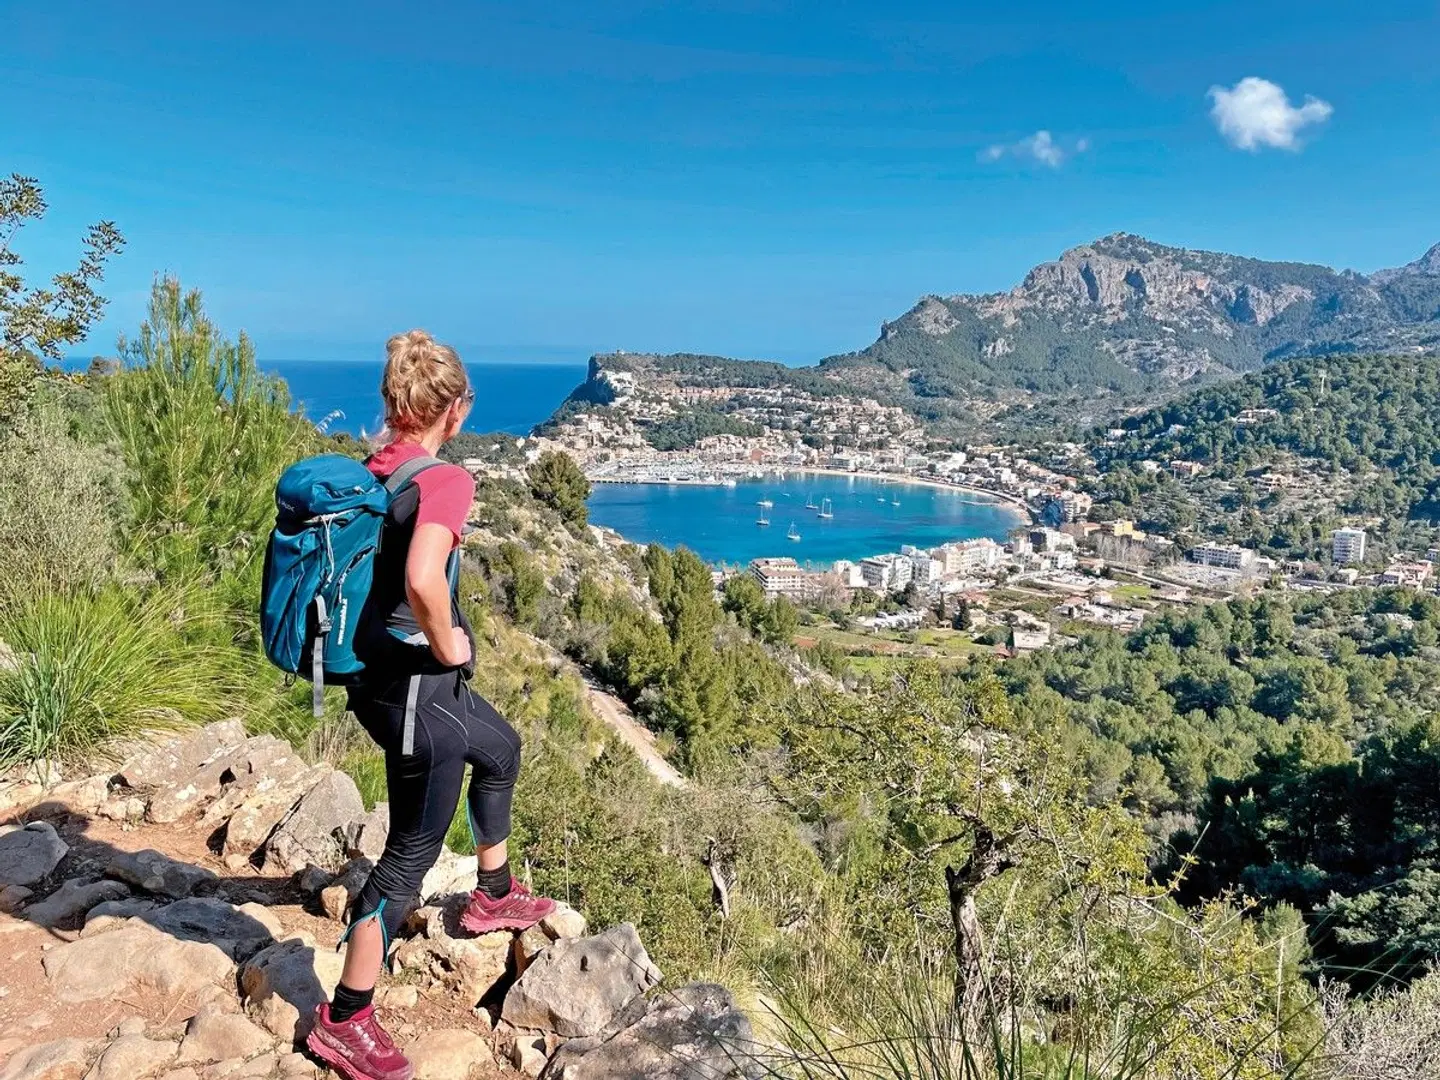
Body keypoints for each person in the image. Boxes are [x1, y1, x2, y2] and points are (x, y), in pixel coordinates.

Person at [306, 330, 556, 1080]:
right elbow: (421, 577)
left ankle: (492, 894)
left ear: (392, 404)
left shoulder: (378, 467)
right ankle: (344, 1019)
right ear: (455, 408)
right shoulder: (444, 480)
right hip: (418, 694)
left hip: (388, 684)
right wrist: (449, 644)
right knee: (408, 858)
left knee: (502, 749)